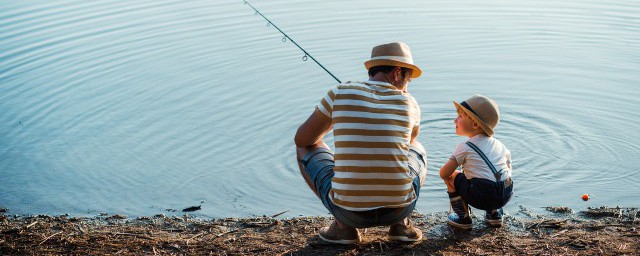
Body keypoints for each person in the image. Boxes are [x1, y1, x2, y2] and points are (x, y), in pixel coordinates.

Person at [294, 42, 427, 244]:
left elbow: (302, 140)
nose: (407, 86)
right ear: (397, 73)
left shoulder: (339, 92)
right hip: (399, 209)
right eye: (408, 79)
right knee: (418, 149)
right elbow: (409, 142)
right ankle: (402, 225)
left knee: (305, 147)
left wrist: (336, 120)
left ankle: (342, 227)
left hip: (349, 212)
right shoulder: (410, 103)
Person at [439, 95, 514, 229]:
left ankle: (463, 218)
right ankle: (494, 214)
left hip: (482, 195)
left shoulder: (464, 147)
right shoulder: (500, 145)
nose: (454, 120)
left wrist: (461, 176)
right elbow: (508, 167)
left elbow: (444, 173)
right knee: (495, 176)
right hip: (506, 192)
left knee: (452, 176)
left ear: (475, 124)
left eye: (460, 117)